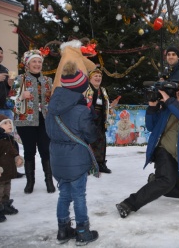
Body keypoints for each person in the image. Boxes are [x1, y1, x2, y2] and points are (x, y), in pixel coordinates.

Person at [116, 78, 179, 218]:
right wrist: (152, 107)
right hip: (164, 150)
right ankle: (129, 204)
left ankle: (155, 181)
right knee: (167, 180)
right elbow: (151, 126)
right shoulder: (166, 107)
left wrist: (170, 102)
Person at [45, 61, 99, 245]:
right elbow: (91, 136)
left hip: (57, 158)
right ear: (80, 89)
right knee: (78, 195)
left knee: (64, 194)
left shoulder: (51, 108)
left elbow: (49, 132)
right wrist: (93, 118)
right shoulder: (81, 110)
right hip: (76, 159)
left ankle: (63, 230)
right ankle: (82, 231)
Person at [12, 50, 55, 194]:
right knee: (29, 151)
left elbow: (54, 100)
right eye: (34, 61)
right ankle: (30, 182)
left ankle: (49, 181)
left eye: (39, 62)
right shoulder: (19, 79)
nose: (37, 64)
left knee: (45, 150)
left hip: (44, 120)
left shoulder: (48, 81)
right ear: (27, 64)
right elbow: (8, 100)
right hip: (25, 121)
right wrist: (20, 96)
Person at [0, 44, 24, 179]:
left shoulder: (4, 69)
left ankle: (11, 169)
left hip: (6, 107)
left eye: (2, 52)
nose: (0, 54)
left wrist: (10, 84)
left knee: (9, 139)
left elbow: (10, 90)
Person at [85, 69, 120, 173]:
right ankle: (88, 165)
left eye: (99, 76)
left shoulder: (103, 90)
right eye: (95, 76)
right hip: (89, 119)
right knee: (89, 141)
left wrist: (112, 106)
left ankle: (100, 164)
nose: (98, 78)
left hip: (101, 118)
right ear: (90, 78)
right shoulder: (86, 90)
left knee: (101, 141)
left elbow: (106, 106)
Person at [0, 114, 24, 223]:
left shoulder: (8, 138)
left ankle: (5, 204)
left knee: (7, 188)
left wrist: (17, 157)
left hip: (8, 170)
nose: (9, 125)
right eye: (5, 123)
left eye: (9, 122)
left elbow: (12, 150)